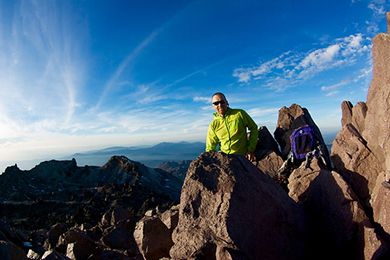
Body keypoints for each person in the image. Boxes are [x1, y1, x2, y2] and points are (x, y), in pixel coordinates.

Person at [206, 92, 258, 161]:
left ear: (227, 103)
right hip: (225, 159)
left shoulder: (239, 114)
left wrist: (250, 149)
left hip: (242, 156)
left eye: (222, 102)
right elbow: (210, 147)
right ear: (213, 106)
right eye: (216, 103)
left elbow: (254, 128)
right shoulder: (213, 125)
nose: (220, 105)